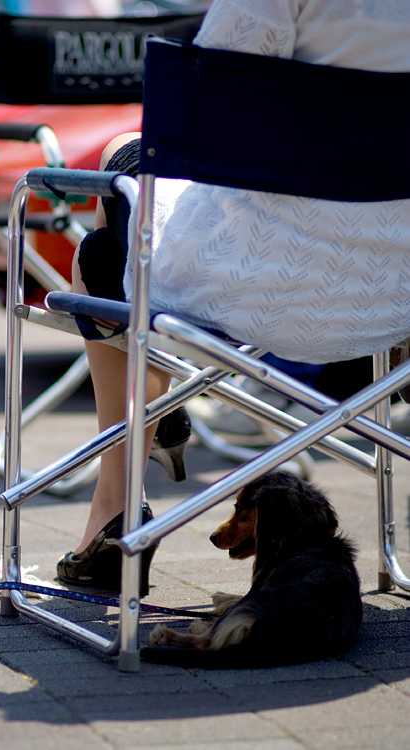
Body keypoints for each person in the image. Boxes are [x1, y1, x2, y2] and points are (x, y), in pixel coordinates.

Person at [57, 0, 410, 595]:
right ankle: (148, 412)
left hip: (256, 284)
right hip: (395, 296)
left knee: (106, 230)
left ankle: (119, 500)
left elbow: (205, 100)